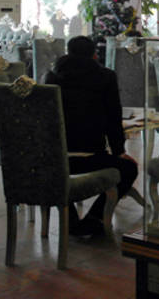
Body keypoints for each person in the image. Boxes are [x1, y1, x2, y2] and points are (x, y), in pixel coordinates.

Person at [44, 35, 138, 236]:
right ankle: (95, 218)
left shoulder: (52, 76)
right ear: (94, 54)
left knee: (63, 174)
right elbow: (113, 119)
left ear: (68, 52)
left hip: (57, 158)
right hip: (91, 158)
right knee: (129, 169)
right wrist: (119, 151)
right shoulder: (105, 77)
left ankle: (70, 220)